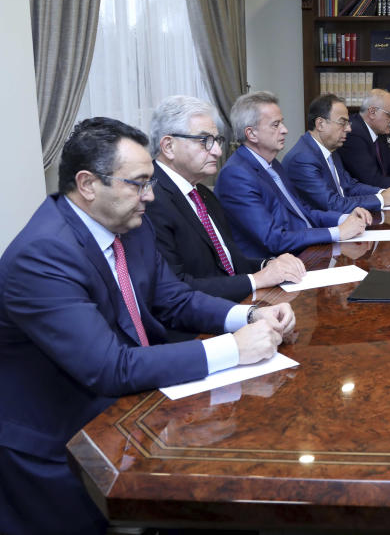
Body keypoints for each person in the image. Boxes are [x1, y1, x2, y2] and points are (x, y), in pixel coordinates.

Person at [0, 118, 295, 535]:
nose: (150, 196)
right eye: (138, 184)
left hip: (134, 412)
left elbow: (172, 297)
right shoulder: (43, 256)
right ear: (87, 184)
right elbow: (109, 366)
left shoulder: (131, 226)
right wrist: (234, 348)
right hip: (59, 442)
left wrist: (249, 316)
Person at [147, 95, 306, 302]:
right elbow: (174, 288)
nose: (217, 151)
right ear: (168, 146)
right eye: (206, 141)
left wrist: (269, 264)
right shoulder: (150, 200)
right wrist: (256, 280)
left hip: (232, 304)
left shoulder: (203, 194)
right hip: (198, 324)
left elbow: (230, 261)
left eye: (217, 140)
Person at [216, 91, 371, 259]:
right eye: (275, 125)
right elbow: (273, 239)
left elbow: (303, 212)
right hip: (278, 265)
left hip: (306, 252)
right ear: (251, 134)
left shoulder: (273, 164)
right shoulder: (236, 175)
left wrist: (343, 218)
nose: (285, 130)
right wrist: (337, 232)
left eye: (282, 123)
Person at [284, 93, 390, 214]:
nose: (348, 129)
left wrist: (383, 192)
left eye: (348, 123)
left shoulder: (331, 150)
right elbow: (332, 204)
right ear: (320, 124)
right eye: (342, 122)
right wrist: (382, 199)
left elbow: (350, 186)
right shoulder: (302, 159)